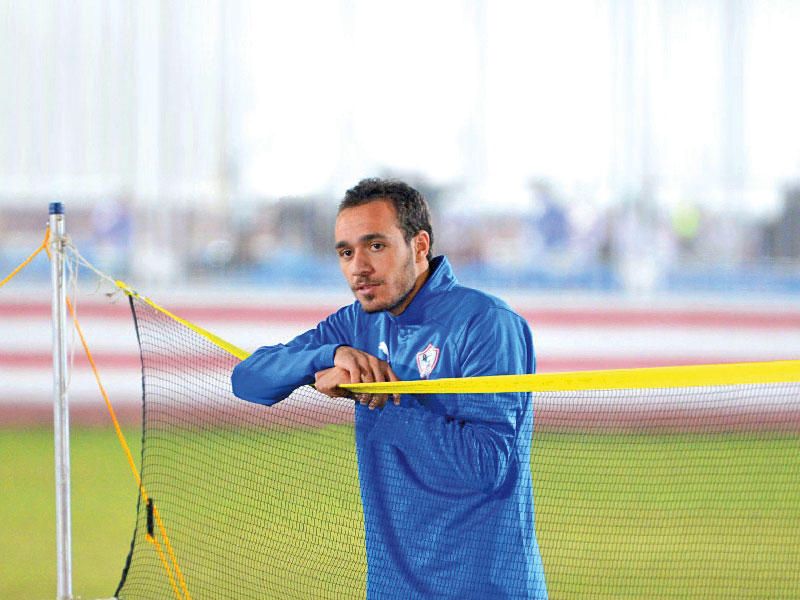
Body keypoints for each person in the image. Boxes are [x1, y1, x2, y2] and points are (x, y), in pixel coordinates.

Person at [231, 178, 548, 599]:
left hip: (484, 589)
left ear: (419, 246)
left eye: (375, 246)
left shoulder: (486, 322)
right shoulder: (356, 324)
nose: (358, 267)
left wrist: (377, 399)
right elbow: (248, 380)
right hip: (391, 589)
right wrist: (328, 355)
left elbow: (485, 466)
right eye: (346, 252)